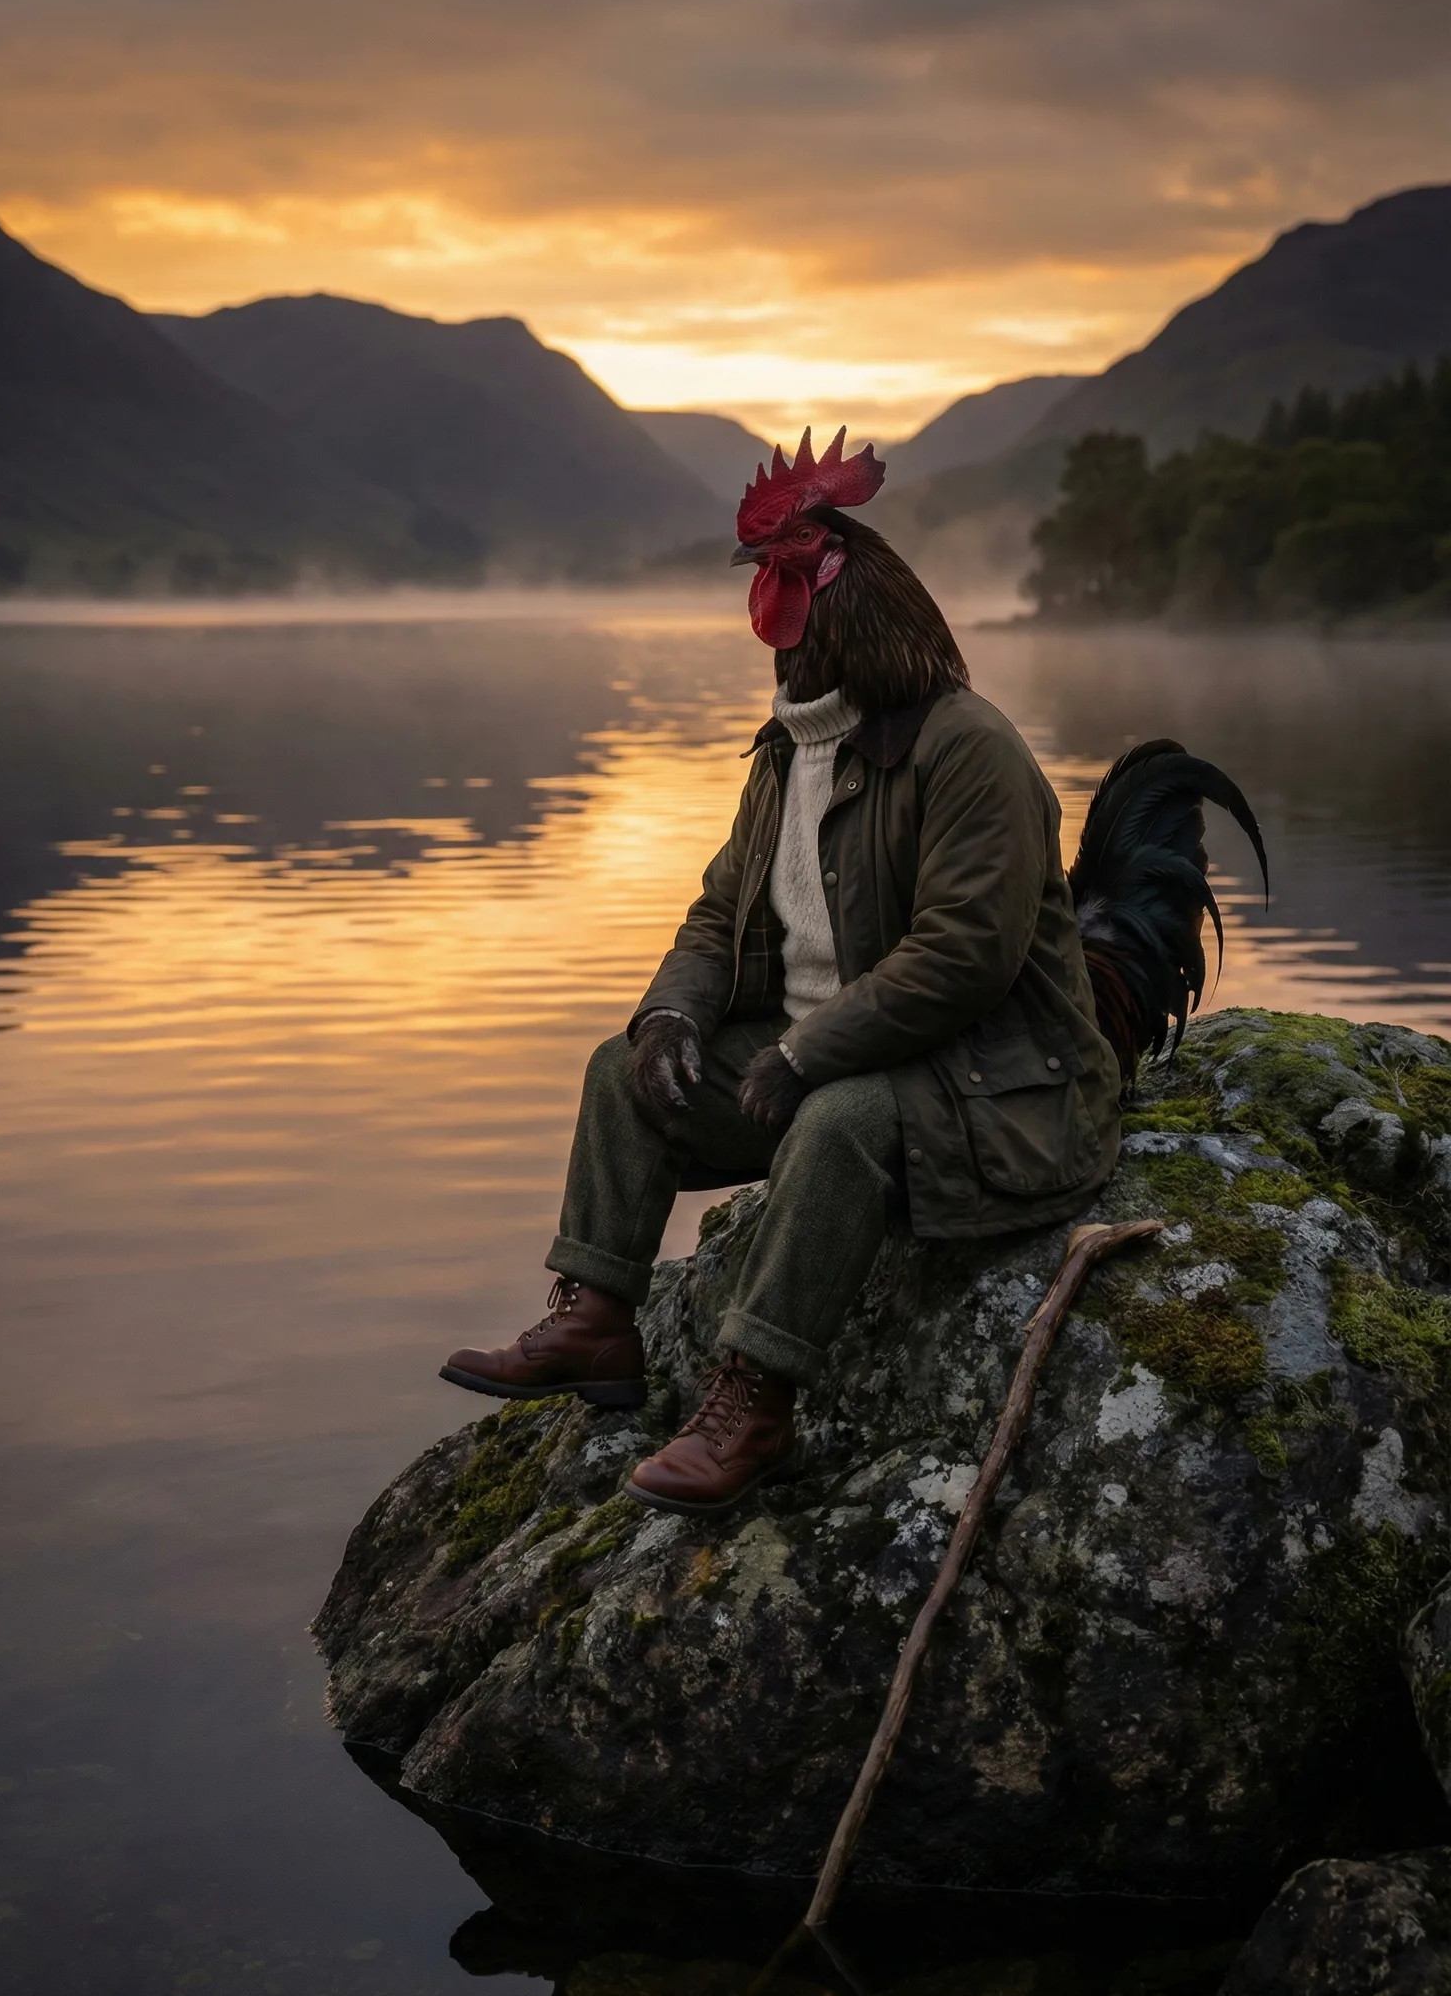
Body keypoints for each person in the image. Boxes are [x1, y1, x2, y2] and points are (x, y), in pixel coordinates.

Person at [442, 429, 1122, 1515]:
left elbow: (963, 957)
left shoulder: (966, 747)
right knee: (622, 1070)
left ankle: (751, 1401)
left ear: (839, 574)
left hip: (995, 1085)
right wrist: (670, 1014)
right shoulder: (789, 749)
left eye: (793, 548)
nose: (765, 569)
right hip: (838, 1067)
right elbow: (720, 910)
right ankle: (595, 1320)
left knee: (839, 1116)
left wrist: (804, 1051)